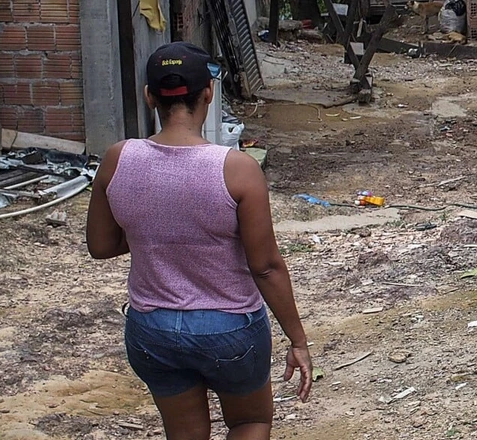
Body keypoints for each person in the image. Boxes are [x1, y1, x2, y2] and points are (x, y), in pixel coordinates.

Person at [86, 42, 313, 439]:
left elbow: (101, 246)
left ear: (148, 96)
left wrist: (156, 232)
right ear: (208, 93)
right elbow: (265, 266)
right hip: (229, 330)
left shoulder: (118, 158)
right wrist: (298, 339)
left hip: (151, 329)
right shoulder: (237, 169)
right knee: (250, 421)